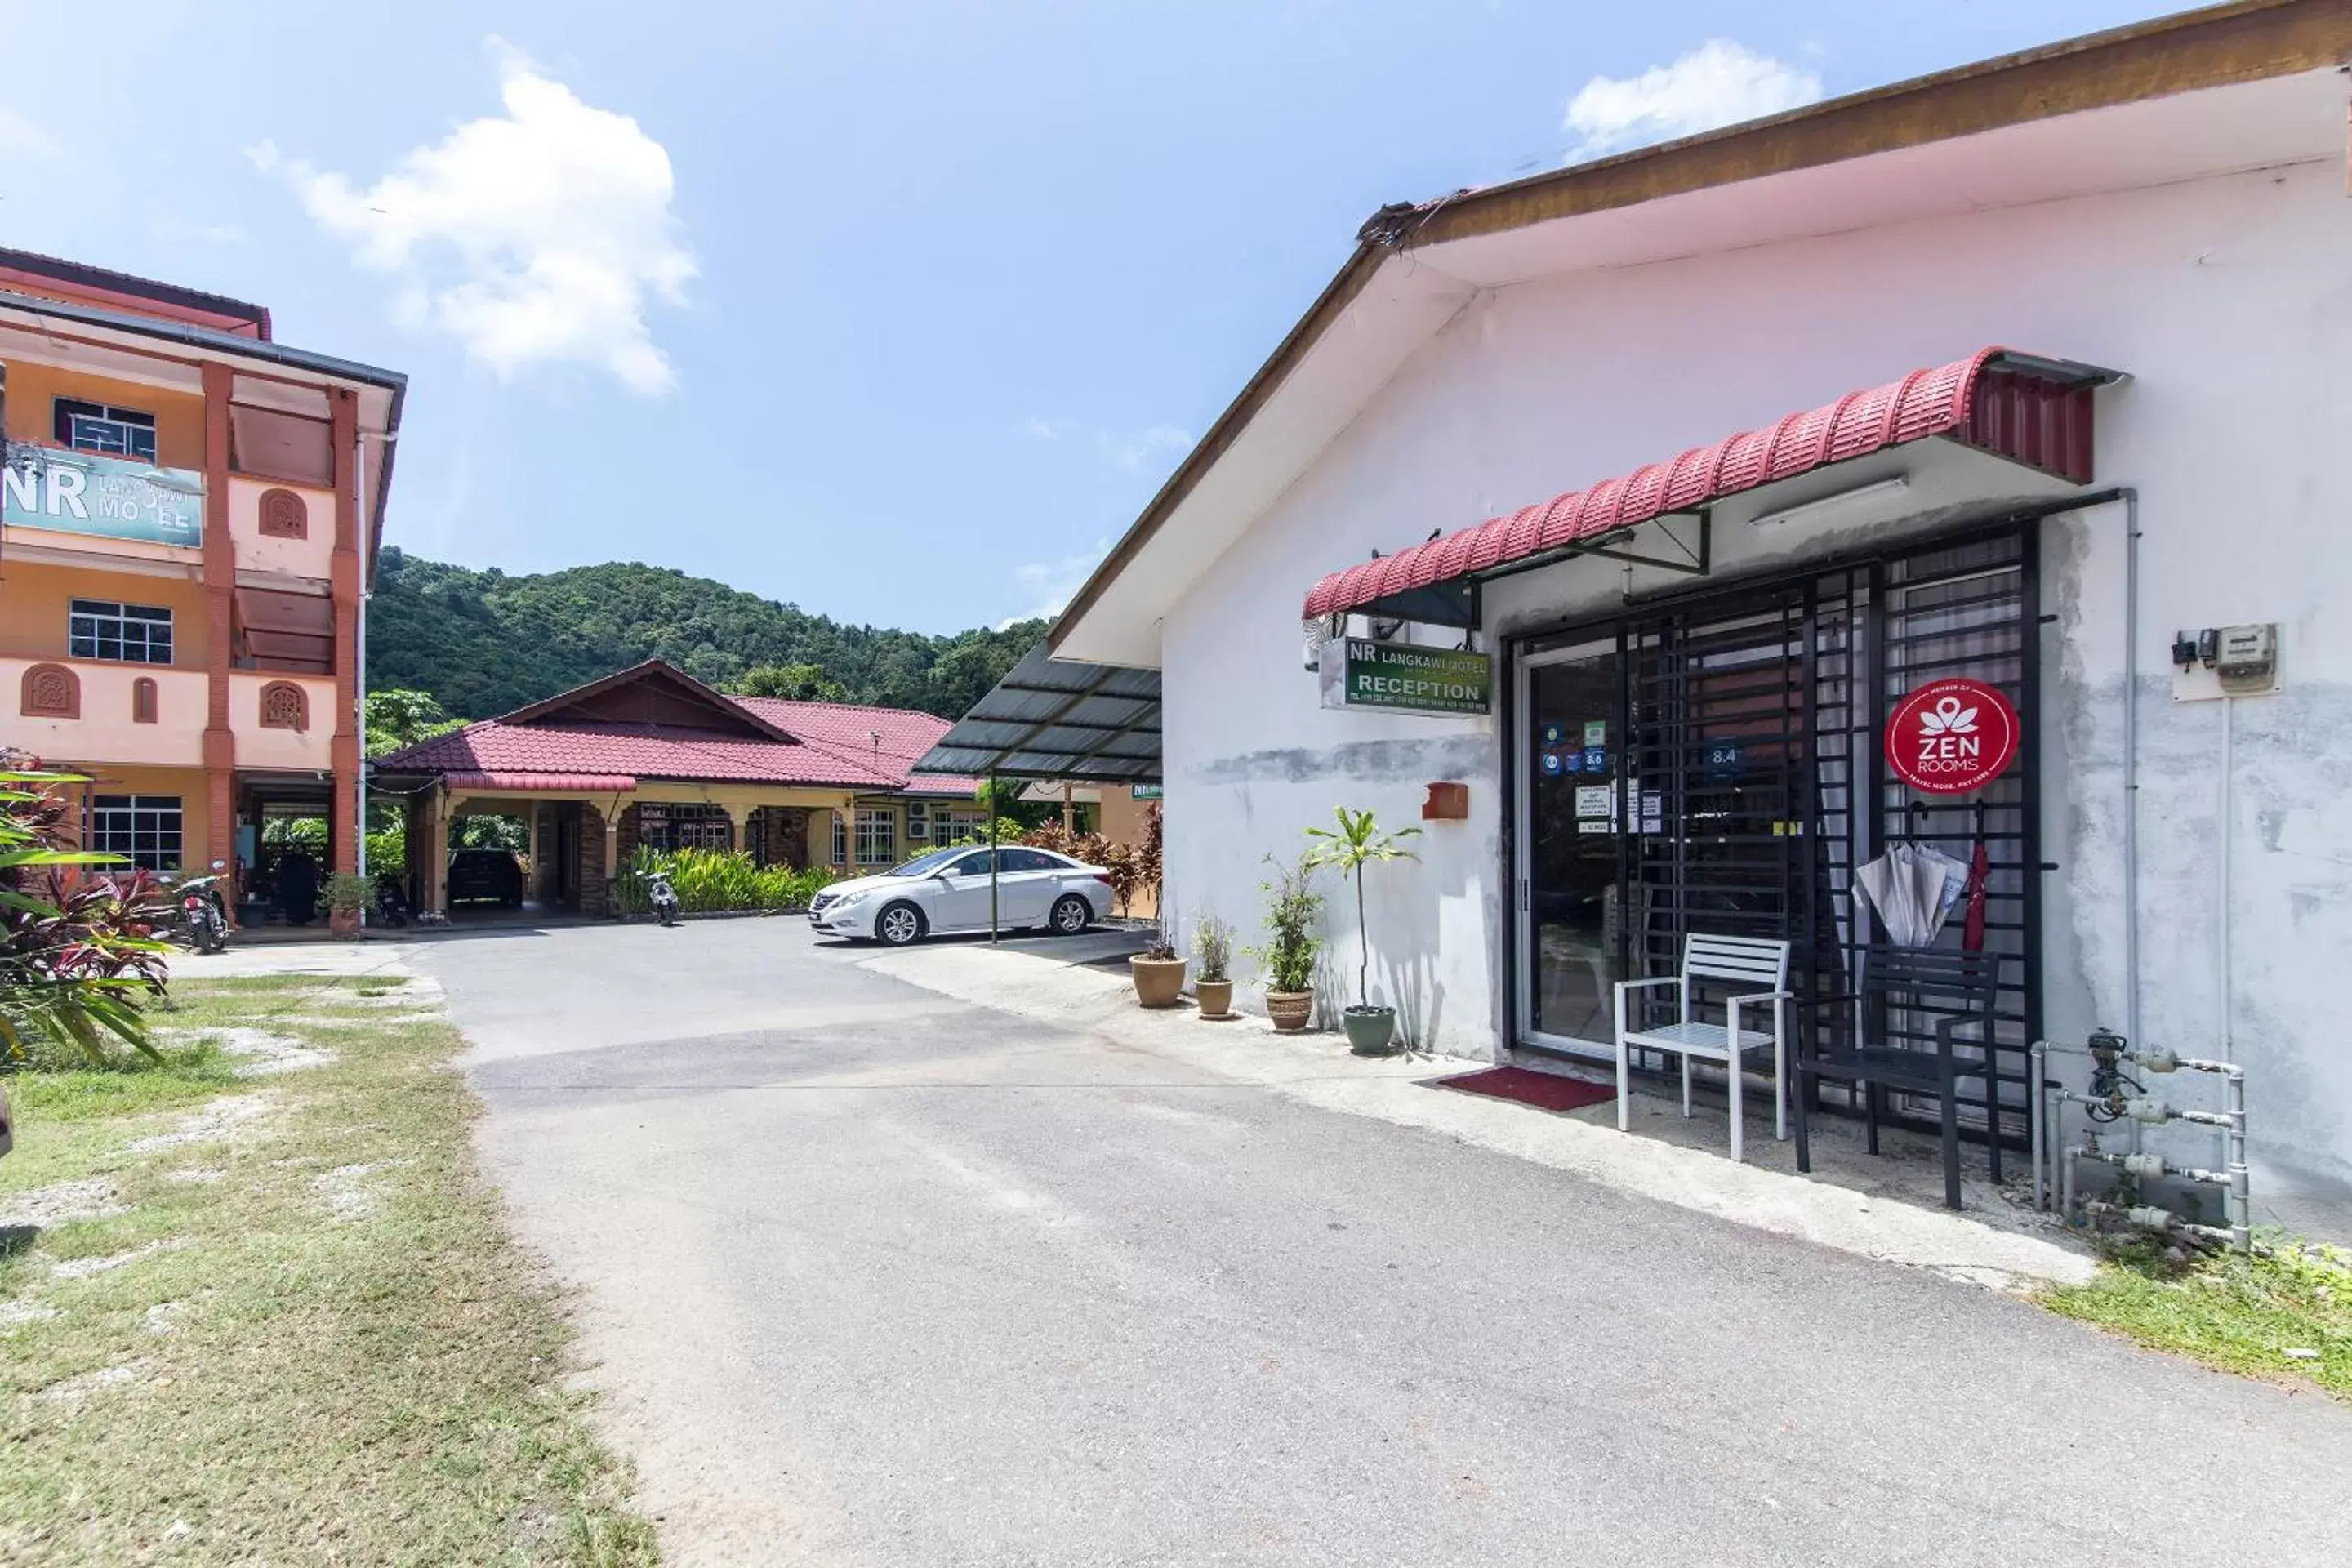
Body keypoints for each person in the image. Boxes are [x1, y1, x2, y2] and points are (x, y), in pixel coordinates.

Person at [275, 849, 319, 928]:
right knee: (292, 904)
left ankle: (301, 920)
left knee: (303, 904)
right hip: (293, 887)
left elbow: (314, 872)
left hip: (304, 887)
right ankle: (293, 919)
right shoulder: (289, 860)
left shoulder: (307, 860)